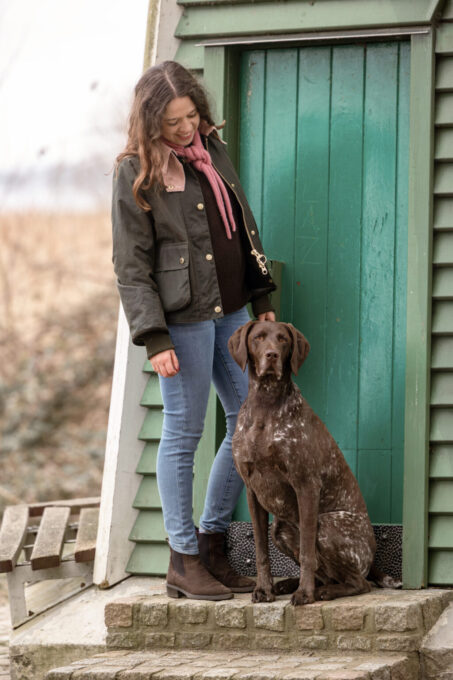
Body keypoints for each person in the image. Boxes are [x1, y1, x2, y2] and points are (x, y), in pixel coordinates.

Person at [112, 60, 276, 601]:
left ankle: (211, 544)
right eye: (173, 122)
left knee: (247, 420)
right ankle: (182, 560)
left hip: (232, 310)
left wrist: (261, 295)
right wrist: (153, 337)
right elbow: (131, 265)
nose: (185, 129)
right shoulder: (135, 171)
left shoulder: (211, 149)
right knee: (183, 433)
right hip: (181, 318)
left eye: (190, 116)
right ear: (150, 120)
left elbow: (243, 223)